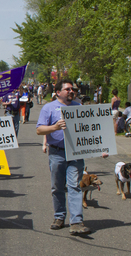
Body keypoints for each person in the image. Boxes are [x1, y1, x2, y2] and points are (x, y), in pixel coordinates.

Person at [36, 79, 90, 235]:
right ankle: (59, 217)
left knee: (74, 186)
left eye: (72, 89)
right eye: (67, 89)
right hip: (57, 153)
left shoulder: (78, 107)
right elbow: (39, 130)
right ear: (58, 92)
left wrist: (101, 148)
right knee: (57, 187)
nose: (71, 91)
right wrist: (55, 127)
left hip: (75, 153)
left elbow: (89, 129)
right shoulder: (49, 108)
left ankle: (76, 222)